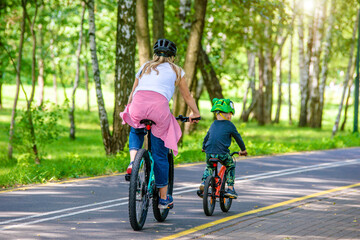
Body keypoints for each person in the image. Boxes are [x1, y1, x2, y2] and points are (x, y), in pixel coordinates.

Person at [120, 38, 201, 209]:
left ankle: (133, 162)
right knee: (160, 154)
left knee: (136, 129)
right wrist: (195, 113)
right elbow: (187, 96)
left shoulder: (145, 66)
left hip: (138, 105)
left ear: (155, 54)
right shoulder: (177, 71)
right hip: (159, 110)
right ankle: (163, 198)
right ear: (173, 57)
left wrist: (131, 108)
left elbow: (134, 91)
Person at [200, 98, 247, 198]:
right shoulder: (230, 125)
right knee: (230, 165)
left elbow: (207, 137)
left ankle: (204, 183)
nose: (230, 116)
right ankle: (230, 189)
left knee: (209, 166)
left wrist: (204, 147)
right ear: (227, 115)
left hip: (209, 152)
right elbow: (238, 138)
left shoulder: (213, 124)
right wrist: (243, 150)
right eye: (230, 114)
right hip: (222, 153)